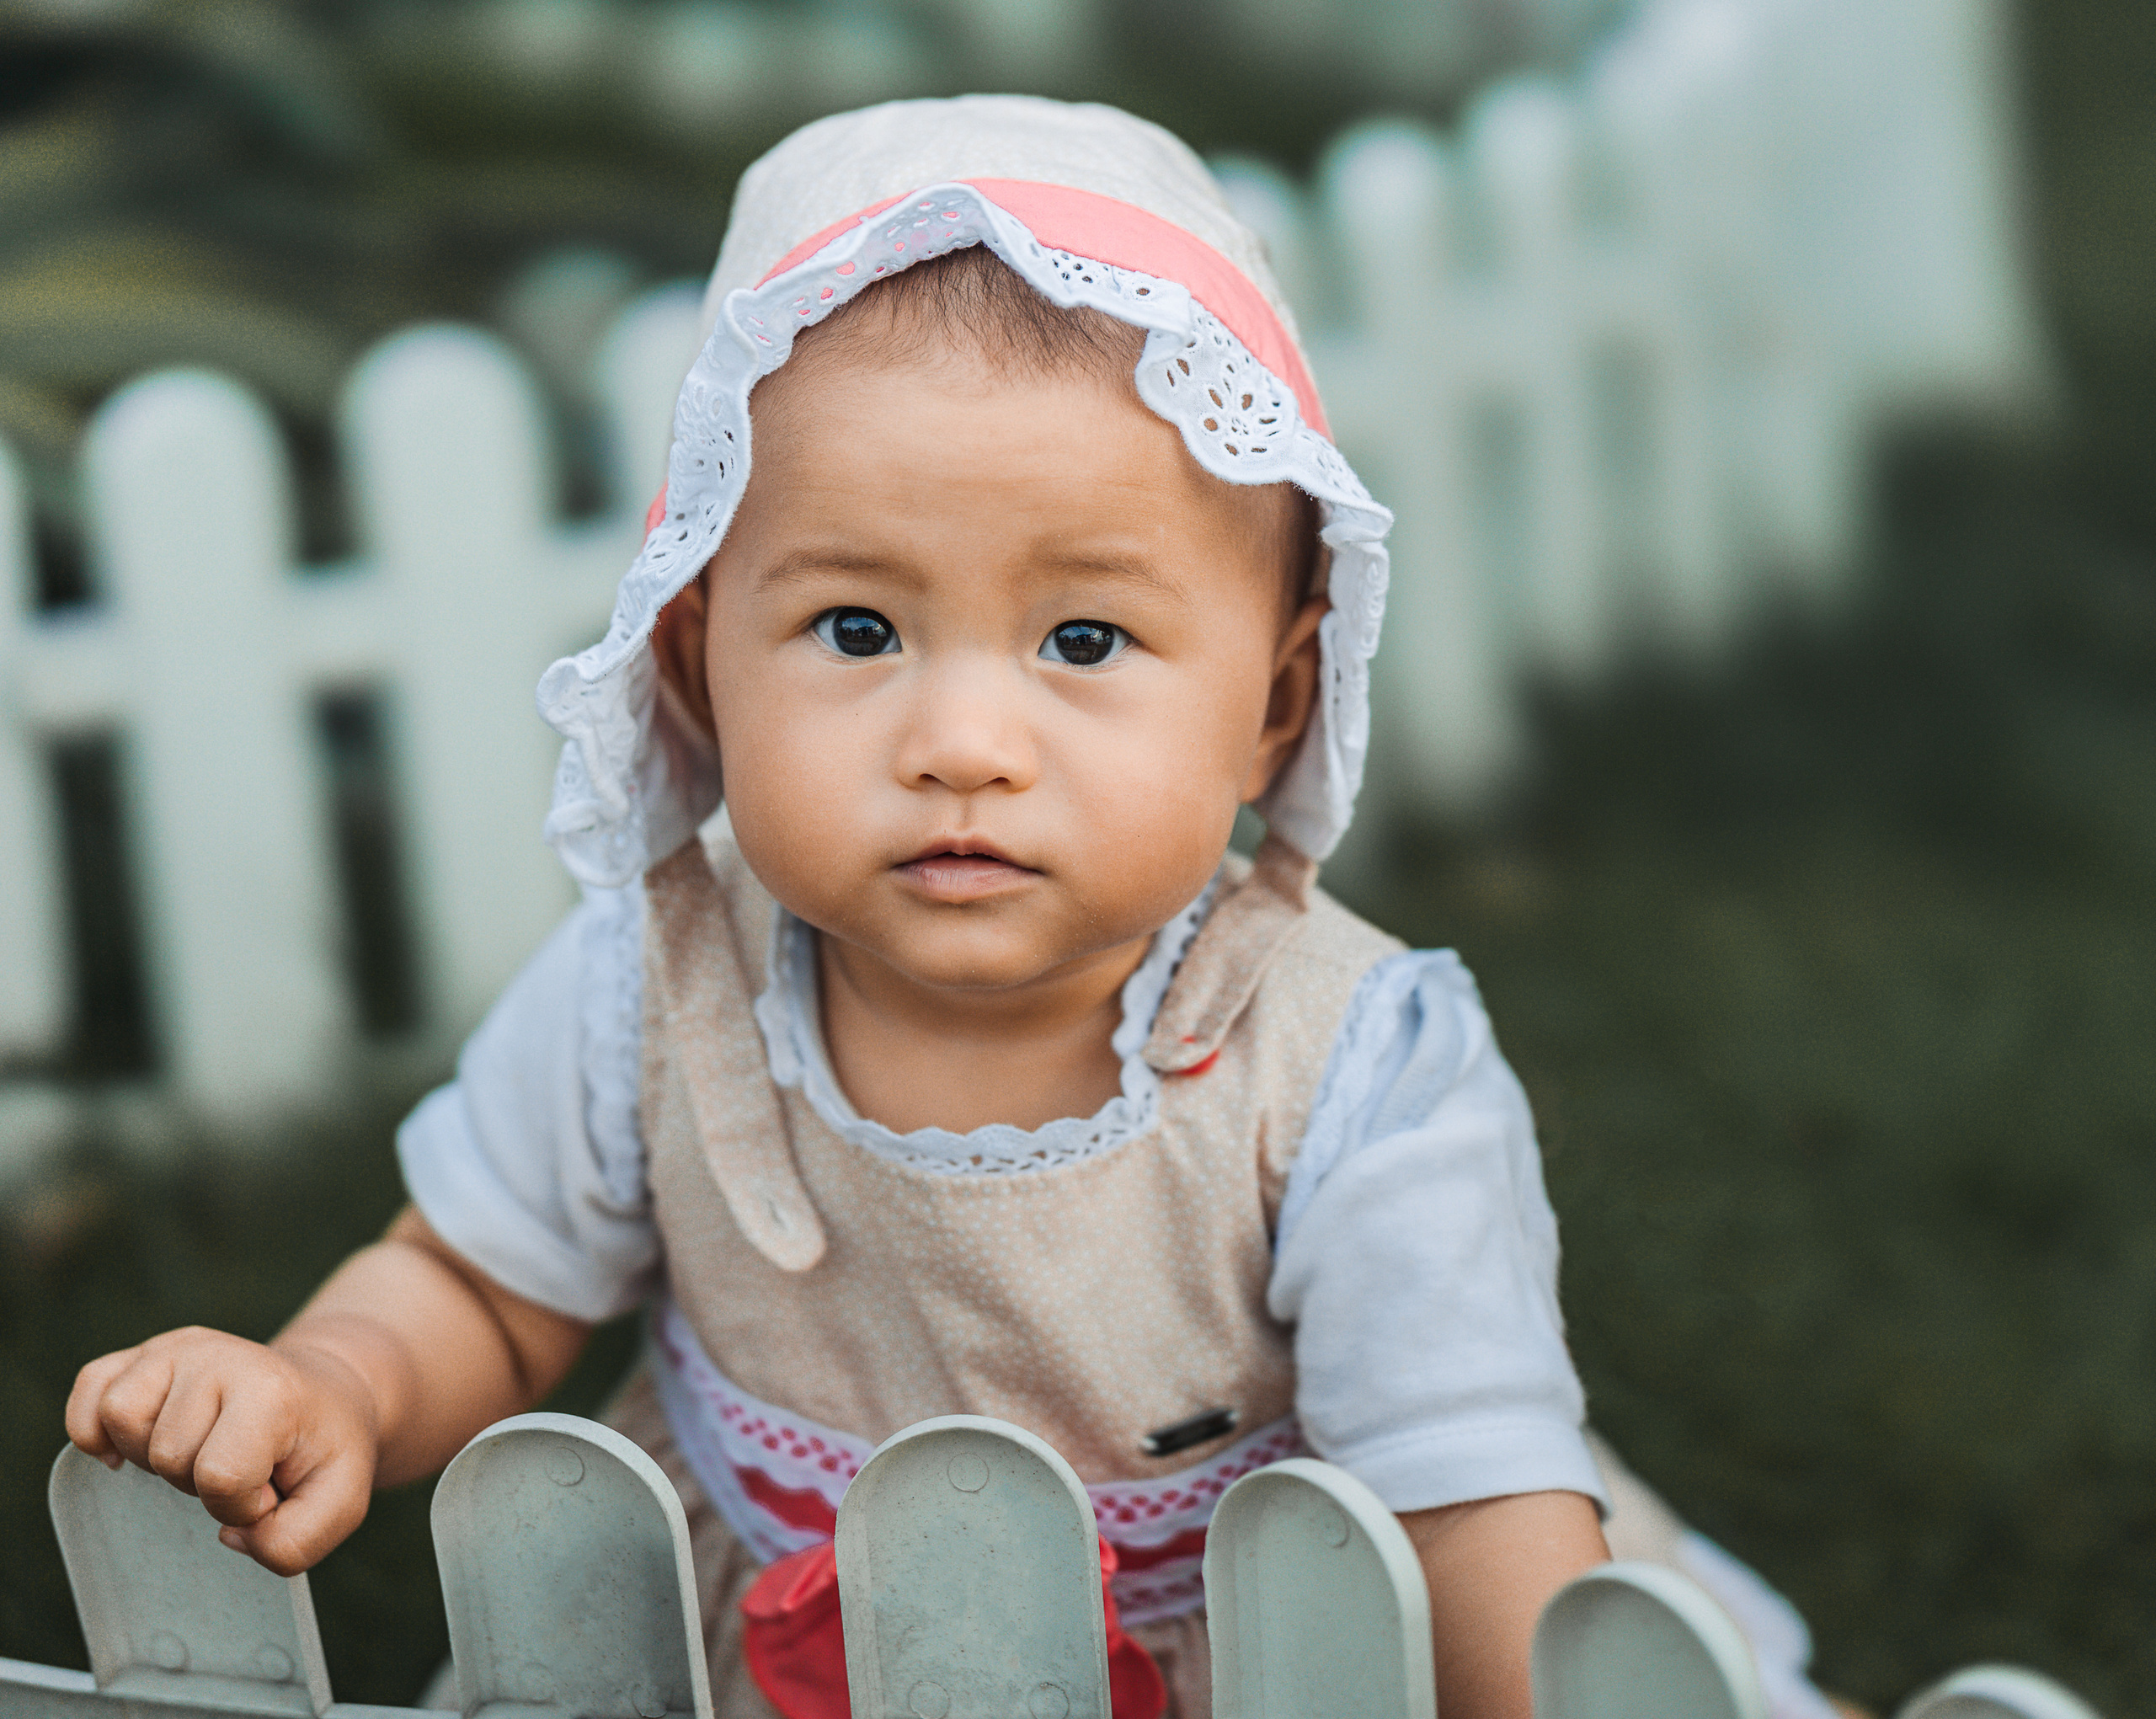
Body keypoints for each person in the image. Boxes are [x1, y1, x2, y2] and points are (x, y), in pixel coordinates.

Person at [64, 95, 1846, 1719]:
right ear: (696, 663)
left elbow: (1461, 1499)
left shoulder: (1349, 1067)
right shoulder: (654, 981)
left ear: (1273, 704)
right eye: (857, 629)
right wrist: (335, 1381)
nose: (964, 744)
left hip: (1252, 1654)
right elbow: (482, 1278)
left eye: (1085, 638)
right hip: (765, 1647)